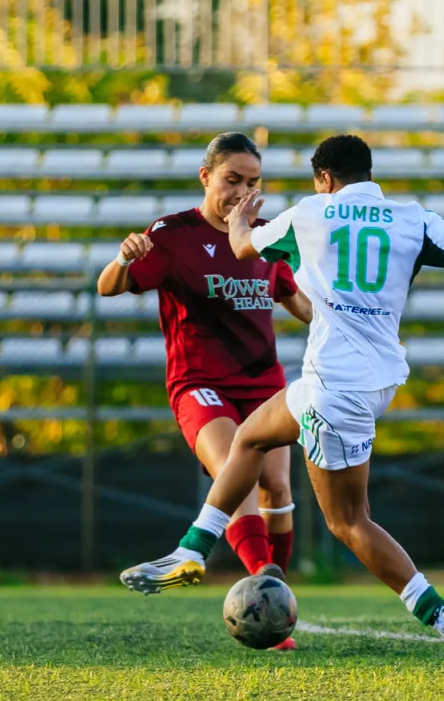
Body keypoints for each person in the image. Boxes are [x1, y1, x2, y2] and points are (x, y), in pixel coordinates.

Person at [119, 134, 444, 659]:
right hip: (375, 380)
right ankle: (190, 551)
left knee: (348, 521)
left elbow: (242, 248)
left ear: (324, 179)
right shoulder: (413, 218)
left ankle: (439, 612)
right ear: (369, 174)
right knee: (249, 440)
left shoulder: (312, 212)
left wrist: (242, 217)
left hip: (334, 390)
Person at [98, 133, 313, 650]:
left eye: (252, 182)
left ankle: (273, 611)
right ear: (206, 177)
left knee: (277, 490)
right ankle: (254, 578)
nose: (242, 191)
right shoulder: (173, 234)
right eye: (231, 180)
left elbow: (302, 304)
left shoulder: (265, 237)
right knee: (234, 471)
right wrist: (124, 257)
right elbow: (107, 286)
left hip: (264, 382)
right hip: (200, 383)